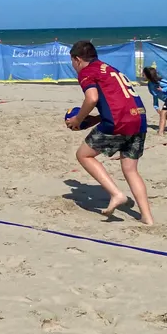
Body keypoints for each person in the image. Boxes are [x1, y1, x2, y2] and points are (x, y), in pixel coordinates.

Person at [65, 41, 154, 225]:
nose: (73, 66)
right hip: (139, 118)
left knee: (84, 155)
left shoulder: (87, 72)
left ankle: (116, 194)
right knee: (130, 169)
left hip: (119, 121)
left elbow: (92, 98)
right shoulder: (110, 69)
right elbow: (115, 99)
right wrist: (96, 119)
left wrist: (78, 120)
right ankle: (147, 217)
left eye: (72, 62)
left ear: (77, 59)